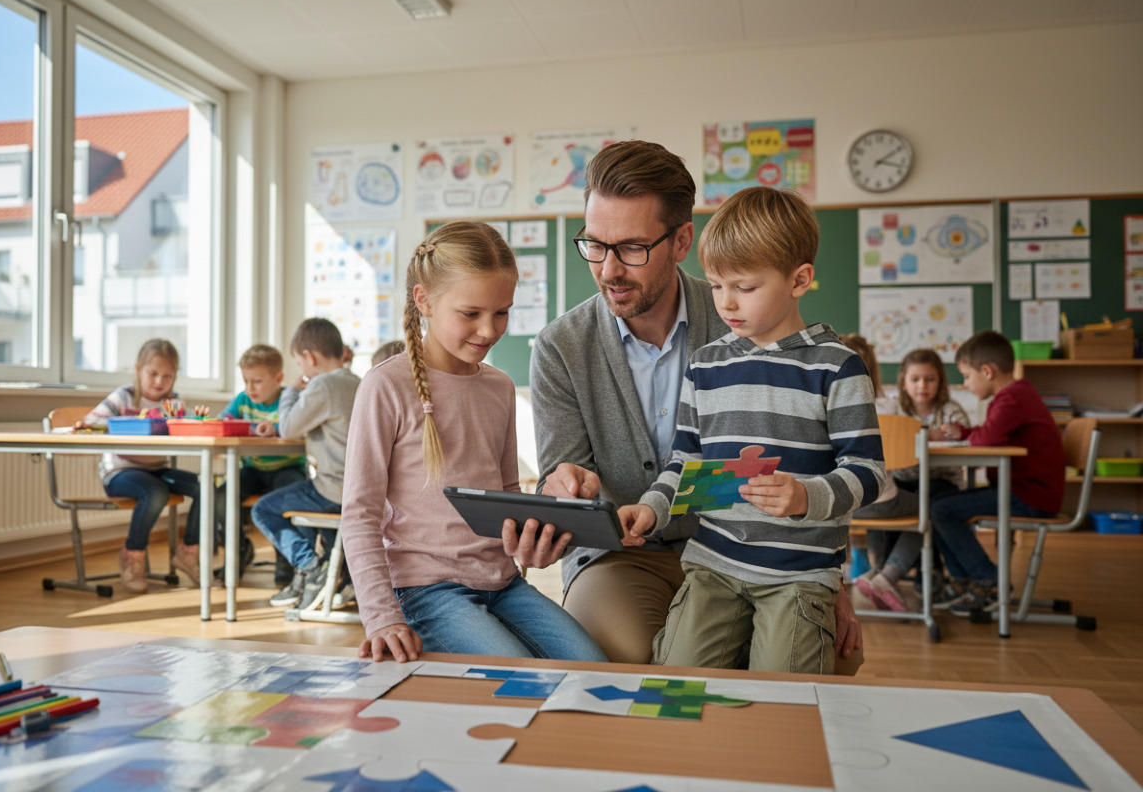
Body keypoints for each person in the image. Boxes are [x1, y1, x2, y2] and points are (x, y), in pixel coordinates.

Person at [512, 139, 865, 670]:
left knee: (831, 659)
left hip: (747, 547)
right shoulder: (561, 346)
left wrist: (825, 573)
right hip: (621, 556)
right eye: (595, 245)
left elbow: (814, 455)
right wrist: (559, 496)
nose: (609, 269)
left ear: (681, 241)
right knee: (621, 656)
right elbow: (562, 477)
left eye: (632, 247)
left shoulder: (746, 313)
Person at [616, 186, 884, 674]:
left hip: (798, 574)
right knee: (674, 682)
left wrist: (805, 496)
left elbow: (868, 472)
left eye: (744, 287)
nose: (726, 303)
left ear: (799, 280)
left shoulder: (836, 367)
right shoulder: (706, 365)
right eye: (717, 285)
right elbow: (687, 463)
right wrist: (652, 508)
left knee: (782, 693)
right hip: (713, 565)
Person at [339, 221, 607, 664]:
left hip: (503, 583)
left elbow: (506, 495)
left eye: (501, 313)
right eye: (470, 314)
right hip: (425, 590)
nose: (488, 330)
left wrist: (536, 534)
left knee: (592, 666)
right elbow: (360, 512)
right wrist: (381, 617)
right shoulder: (385, 385)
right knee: (518, 675)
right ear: (424, 300)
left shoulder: (499, 387)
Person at [929, 330, 1065, 615]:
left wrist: (969, 435)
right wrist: (964, 432)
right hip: (1025, 491)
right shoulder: (1016, 395)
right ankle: (967, 582)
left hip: (1029, 497)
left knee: (941, 510)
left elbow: (987, 439)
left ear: (987, 371)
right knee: (937, 506)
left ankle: (987, 581)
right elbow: (987, 433)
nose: (965, 384)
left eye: (967, 376)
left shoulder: (1012, 398)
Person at [844, 341, 971, 612]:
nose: (922, 385)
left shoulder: (950, 410)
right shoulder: (895, 409)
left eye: (930, 379)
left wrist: (955, 432)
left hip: (939, 481)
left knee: (928, 502)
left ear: (941, 381)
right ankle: (883, 573)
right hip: (903, 483)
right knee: (902, 503)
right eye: (915, 379)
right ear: (903, 381)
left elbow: (964, 437)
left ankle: (893, 573)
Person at [249, 318, 361, 610]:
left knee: (263, 509)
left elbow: (289, 428)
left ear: (309, 357)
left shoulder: (323, 384)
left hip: (333, 489)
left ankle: (309, 565)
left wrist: (291, 391)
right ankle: (339, 576)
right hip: (359, 490)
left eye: (300, 363)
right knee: (311, 502)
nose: (302, 370)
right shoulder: (357, 382)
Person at [76, 339, 202, 593]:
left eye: (167, 376)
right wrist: (91, 425)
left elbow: (187, 430)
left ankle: (189, 552)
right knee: (155, 491)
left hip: (156, 470)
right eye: (153, 374)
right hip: (120, 472)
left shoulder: (173, 403)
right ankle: (132, 555)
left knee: (205, 485)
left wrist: (195, 422)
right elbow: (92, 421)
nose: (159, 382)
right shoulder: (124, 396)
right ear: (138, 370)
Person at [219, 343, 308, 583]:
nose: (250, 388)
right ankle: (238, 553)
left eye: (256, 381)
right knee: (221, 496)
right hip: (253, 469)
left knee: (288, 498)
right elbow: (223, 421)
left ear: (278, 378)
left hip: (287, 468)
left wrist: (277, 428)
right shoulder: (242, 400)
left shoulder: (290, 399)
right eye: (246, 381)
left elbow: (301, 427)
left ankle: (286, 559)